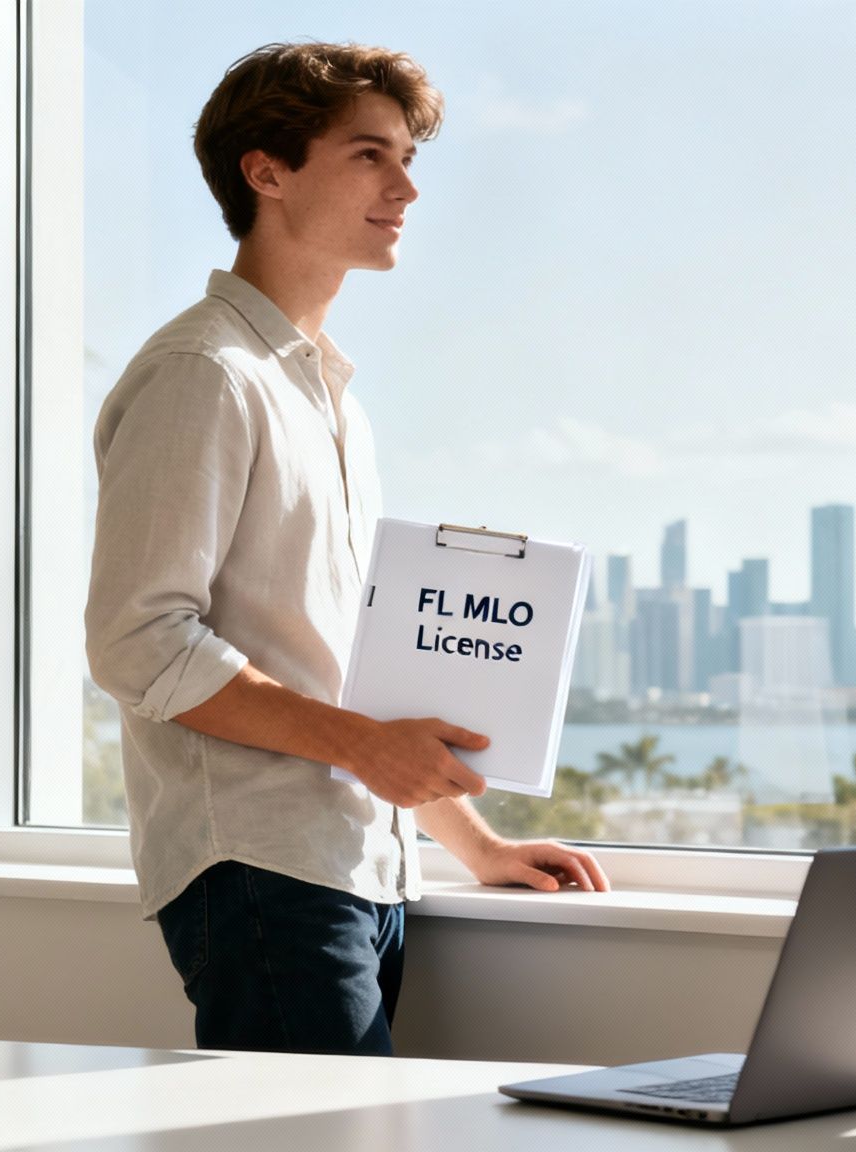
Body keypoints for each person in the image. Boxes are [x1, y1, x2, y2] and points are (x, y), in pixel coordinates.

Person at [83, 41, 610, 1059]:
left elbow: (340, 674)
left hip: (357, 864)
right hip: (259, 865)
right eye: (370, 156)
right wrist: (364, 748)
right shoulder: (205, 373)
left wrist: (474, 845)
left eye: (408, 159)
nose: (406, 188)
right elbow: (137, 644)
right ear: (266, 171)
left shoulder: (323, 396)